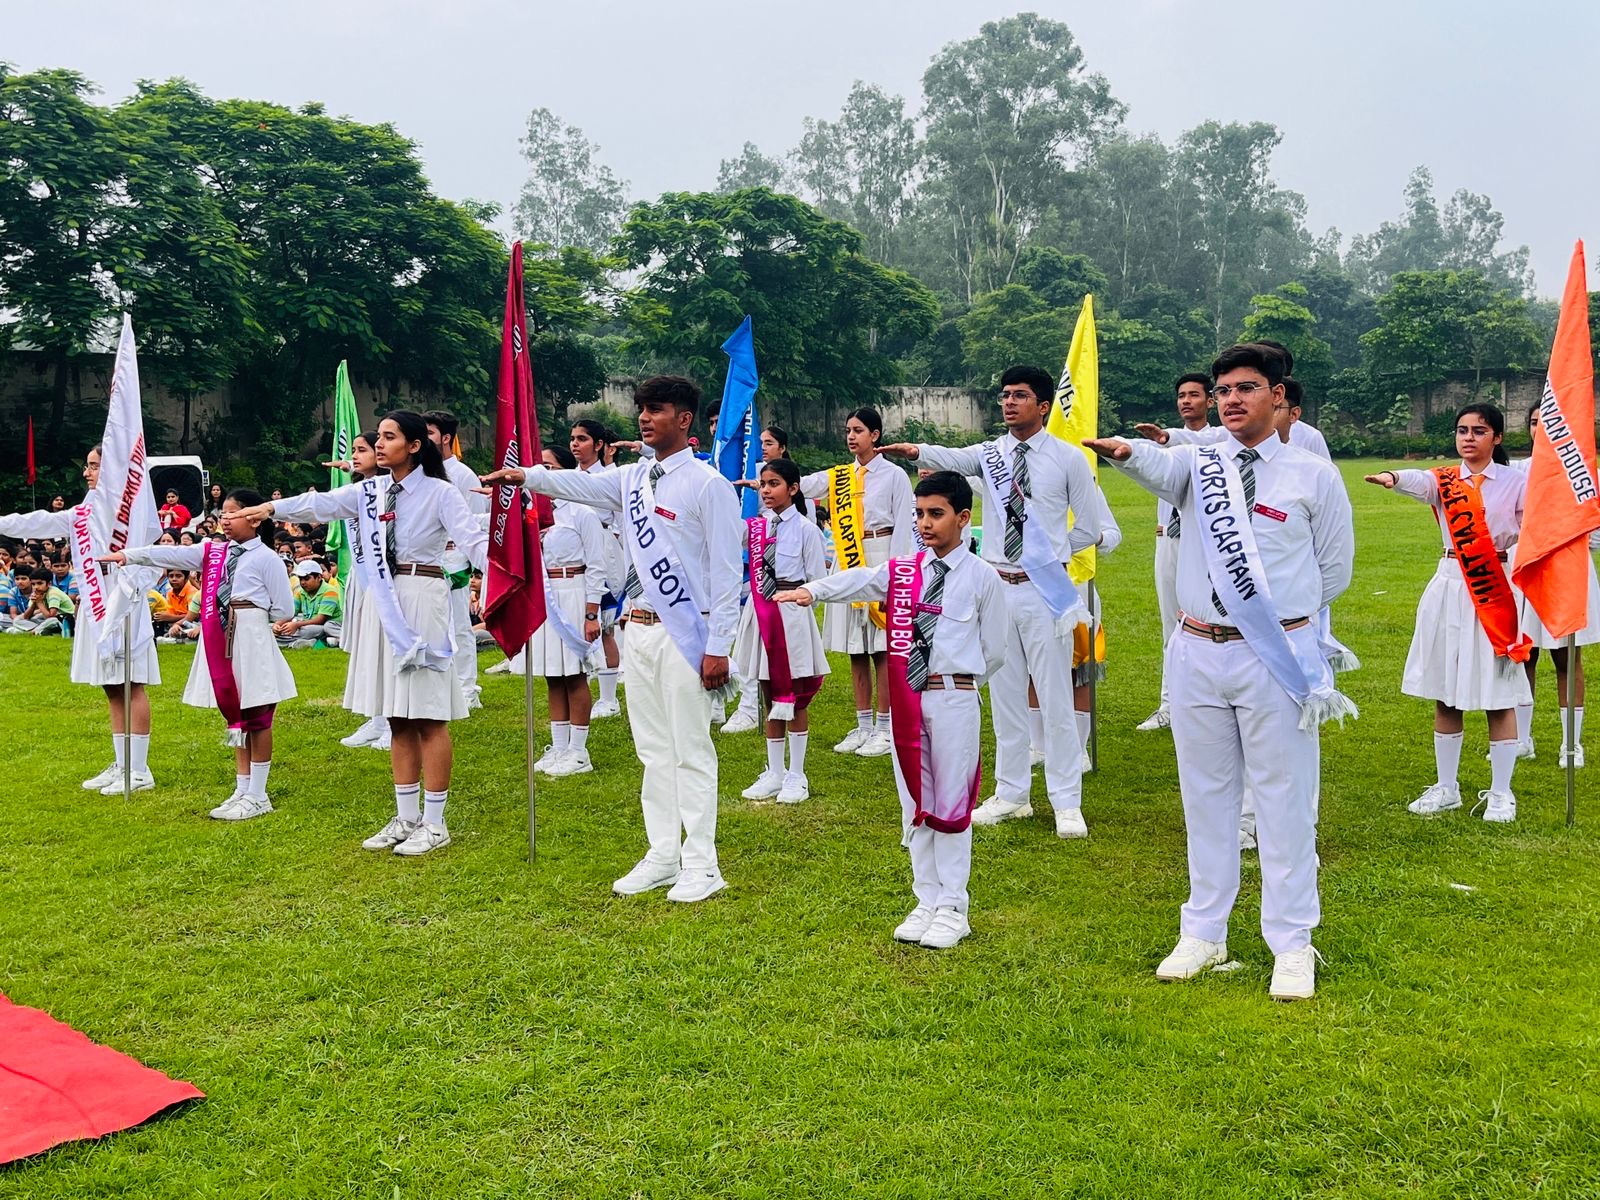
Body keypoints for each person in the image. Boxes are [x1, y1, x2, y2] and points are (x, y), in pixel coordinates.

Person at [1086, 342, 1355, 1001]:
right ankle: (1204, 932)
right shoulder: (1198, 464)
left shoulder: (1313, 476)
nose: (1232, 400)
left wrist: (1281, 620)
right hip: (1197, 651)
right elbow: (1155, 464)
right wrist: (1125, 452)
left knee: (1283, 800)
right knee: (1205, 797)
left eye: (1246, 388)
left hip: (1274, 655)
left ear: (1277, 396)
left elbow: (1333, 570)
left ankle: (1292, 942)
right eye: (1224, 390)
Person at [483, 375, 743, 902]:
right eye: (642, 408)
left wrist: (719, 646)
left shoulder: (707, 484)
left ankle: (702, 864)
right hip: (638, 631)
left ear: (684, 419)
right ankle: (663, 854)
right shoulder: (632, 478)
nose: (644, 417)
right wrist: (525, 476)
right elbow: (576, 485)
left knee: (691, 750)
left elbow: (726, 572)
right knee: (653, 750)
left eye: (656, 409)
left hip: (685, 634)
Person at [236, 411, 487, 856]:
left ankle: (435, 822)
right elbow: (321, 504)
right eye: (380, 437)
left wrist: (511, 573)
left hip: (421, 596)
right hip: (382, 600)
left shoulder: (441, 491)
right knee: (396, 714)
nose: (381, 443)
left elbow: (474, 542)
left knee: (428, 714)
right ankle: (406, 816)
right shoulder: (370, 491)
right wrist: (272, 508)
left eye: (390, 437)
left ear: (414, 445)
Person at [777, 471, 1007, 948]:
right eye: (919, 514)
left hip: (954, 698)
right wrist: (813, 591)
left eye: (936, 514)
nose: (925, 523)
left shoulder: (982, 576)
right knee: (915, 802)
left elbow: (995, 650)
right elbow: (861, 579)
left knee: (951, 802)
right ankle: (926, 899)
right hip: (907, 700)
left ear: (963, 518)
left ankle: (953, 907)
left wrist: (956, 683)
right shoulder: (905, 571)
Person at [883, 366, 1102, 840]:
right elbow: (953, 457)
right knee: (1004, 697)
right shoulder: (990, 455)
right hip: (998, 587)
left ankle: (1066, 801)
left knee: (1055, 697)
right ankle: (1012, 793)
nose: (1008, 403)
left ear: (1043, 405)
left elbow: (1092, 526)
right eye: (1004, 395)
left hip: (1044, 591)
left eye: (1019, 395)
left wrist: (1050, 556)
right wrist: (916, 451)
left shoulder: (1068, 459)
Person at [1365, 402, 1532, 822]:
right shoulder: (1445, 480)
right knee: (1445, 691)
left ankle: (1501, 792)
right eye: (1462, 431)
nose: (1468, 438)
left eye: (1479, 431)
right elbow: (1419, 481)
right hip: (1449, 585)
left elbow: (1536, 531)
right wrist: (1391, 477)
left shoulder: (1517, 483)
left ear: (1497, 437)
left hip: (1495, 591)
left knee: (1498, 694)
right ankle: (1447, 787)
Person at [104, 489, 297, 821]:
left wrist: (252, 612)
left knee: (258, 714)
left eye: (233, 513)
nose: (225, 519)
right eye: (223, 513)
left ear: (254, 518)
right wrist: (129, 555)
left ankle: (258, 793)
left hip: (250, 638)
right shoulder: (214, 551)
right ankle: (242, 787)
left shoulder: (267, 558)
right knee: (236, 714)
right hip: (221, 637)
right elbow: (171, 554)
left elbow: (283, 608)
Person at [0, 447, 162, 792]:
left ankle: (139, 769)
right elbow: (39, 521)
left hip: (122, 599)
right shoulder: (84, 511)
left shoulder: (132, 510)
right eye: (88, 466)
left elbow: (150, 549)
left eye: (94, 466)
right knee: (111, 685)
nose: (87, 472)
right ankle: (122, 762)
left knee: (131, 682)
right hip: (94, 599)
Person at [799, 408, 916, 758]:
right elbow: (802, 485)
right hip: (849, 555)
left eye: (858, 430)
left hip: (882, 552)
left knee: (882, 645)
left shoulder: (894, 475)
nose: (851, 436)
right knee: (856, 647)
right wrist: (765, 478)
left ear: (875, 435)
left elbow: (903, 525)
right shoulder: (840, 476)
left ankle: (885, 726)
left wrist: (897, 575)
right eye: (848, 430)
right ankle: (863, 724)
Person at [734, 458, 830, 803]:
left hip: (791, 615)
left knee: (795, 695)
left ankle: (796, 774)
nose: (766, 490)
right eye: (763, 484)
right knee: (767, 690)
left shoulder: (806, 530)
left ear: (793, 488)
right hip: (761, 612)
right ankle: (774, 771)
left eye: (774, 483)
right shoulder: (756, 528)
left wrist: (798, 607)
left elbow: (817, 580)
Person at [512, 446, 609, 778]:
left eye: (549, 468)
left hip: (574, 593)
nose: (542, 474)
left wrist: (592, 612)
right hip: (547, 595)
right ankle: (559, 746)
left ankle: (579, 751)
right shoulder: (532, 513)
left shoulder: (581, 512)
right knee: (554, 674)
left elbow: (597, 565)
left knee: (575, 674)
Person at [1509, 404, 1597, 767]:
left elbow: (1594, 534)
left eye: (1548, 423)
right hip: (1526, 571)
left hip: (1568, 572)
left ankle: (1571, 745)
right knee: (1523, 656)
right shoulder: (1516, 472)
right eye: (1534, 422)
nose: (1540, 429)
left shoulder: (1582, 472)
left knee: (1567, 658)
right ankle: (1521, 739)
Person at [1135, 372, 1213, 732]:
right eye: (1181, 395)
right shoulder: (1162, 445)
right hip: (1169, 539)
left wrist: (1167, 438)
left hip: (1207, 543)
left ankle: (1207, 703)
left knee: (1208, 621)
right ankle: (1170, 705)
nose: (1186, 401)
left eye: (1194, 395)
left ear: (1210, 401)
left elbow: (1197, 448)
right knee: (1171, 624)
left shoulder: (1221, 439)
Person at [724, 423, 796, 736]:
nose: (762, 447)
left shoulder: (798, 513)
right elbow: (735, 532)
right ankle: (747, 706)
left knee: (780, 659)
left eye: (768, 442)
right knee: (749, 648)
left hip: (787, 598)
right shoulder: (758, 518)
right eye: (760, 442)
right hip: (756, 586)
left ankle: (780, 704)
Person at [327, 431, 392, 751]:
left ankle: (393, 721)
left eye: (361, 450)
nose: (354, 455)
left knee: (386, 653)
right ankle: (377, 718)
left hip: (384, 579)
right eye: (352, 450)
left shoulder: (388, 489)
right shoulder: (357, 489)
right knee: (367, 652)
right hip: (361, 576)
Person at [424, 410, 488, 711]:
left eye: (430, 434)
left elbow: (475, 523)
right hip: (426, 559)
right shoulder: (421, 473)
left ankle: (467, 688)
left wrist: (464, 562)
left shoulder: (462, 475)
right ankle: (438, 686)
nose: (424, 440)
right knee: (431, 625)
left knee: (460, 625)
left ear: (446, 438)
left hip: (454, 557)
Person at [567, 418, 626, 718]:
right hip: (574, 554)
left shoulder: (611, 478)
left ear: (599, 444)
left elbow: (622, 521)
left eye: (582, 439)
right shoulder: (569, 477)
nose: (575, 445)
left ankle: (609, 697)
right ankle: (582, 684)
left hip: (603, 549)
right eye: (573, 439)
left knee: (605, 626)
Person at [276, 558, 341, 647]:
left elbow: (320, 620)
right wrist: (278, 625)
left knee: (317, 629)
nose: (302, 582)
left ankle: (285, 642)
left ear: (319, 577)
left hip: (325, 626)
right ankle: (300, 643)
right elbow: (291, 613)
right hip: (308, 625)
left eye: (306, 579)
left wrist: (296, 625)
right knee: (272, 628)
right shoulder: (300, 592)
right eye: (300, 579)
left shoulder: (330, 591)